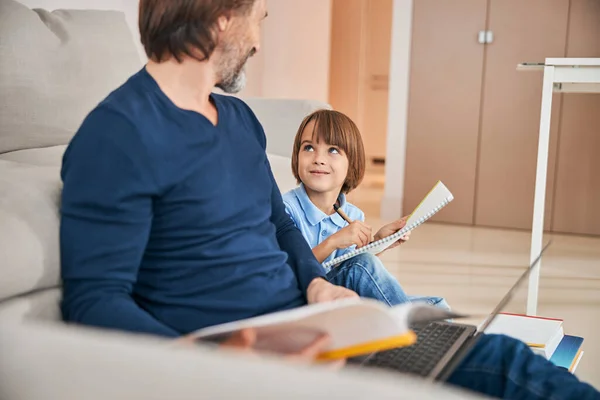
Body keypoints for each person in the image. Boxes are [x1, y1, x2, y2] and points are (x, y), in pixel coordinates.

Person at [59, 0, 600, 399]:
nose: (257, 41)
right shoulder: (117, 135)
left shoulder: (240, 121)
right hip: (249, 367)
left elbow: (281, 227)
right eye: (258, 18)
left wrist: (317, 285)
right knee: (505, 375)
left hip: (316, 332)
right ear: (222, 18)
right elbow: (94, 301)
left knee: (497, 358)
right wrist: (217, 361)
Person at [282, 109, 449, 310]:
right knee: (362, 266)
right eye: (308, 148)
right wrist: (333, 242)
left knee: (436, 305)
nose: (318, 158)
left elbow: (355, 273)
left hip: (342, 298)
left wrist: (378, 243)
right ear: (296, 156)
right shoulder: (285, 209)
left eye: (333, 150)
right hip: (302, 297)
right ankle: (409, 332)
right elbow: (284, 271)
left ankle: (438, 336)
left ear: (351, 164)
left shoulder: (352, 215)